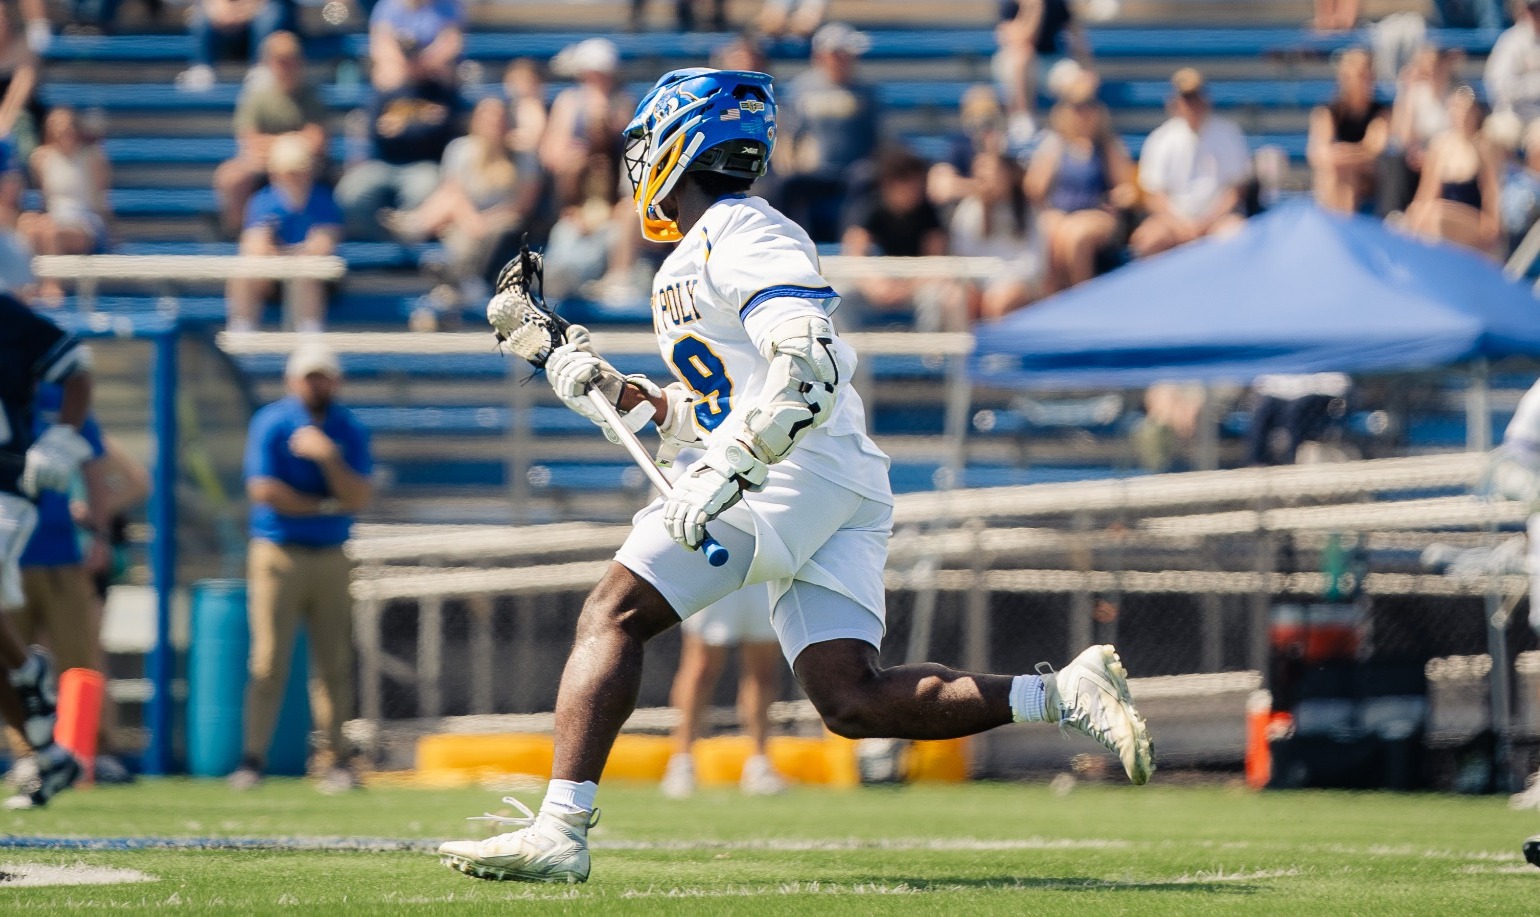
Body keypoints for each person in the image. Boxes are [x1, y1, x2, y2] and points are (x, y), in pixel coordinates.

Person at [438, 67, 1153, 884]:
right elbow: (725, 400)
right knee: (850, 697)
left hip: (790, 469)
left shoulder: (741, 230)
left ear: (679, 144)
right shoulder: (698, 254)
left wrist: (730, 468)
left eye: (644, 147)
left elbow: (808, 366)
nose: (636, 168)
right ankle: (1062, 693)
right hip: (828, 475)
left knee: (613, 612)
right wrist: (619, 390)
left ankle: (560, 826)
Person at [232, 341, 372, 794]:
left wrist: (327, 457)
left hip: (331, 554)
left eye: (323, 376)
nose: (316, 385)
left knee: (333, 664)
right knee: (268, 661)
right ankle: (252, 758)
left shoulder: (347, 428)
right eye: (310, 377)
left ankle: (337, 759)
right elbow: (264, 491)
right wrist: (327, 504)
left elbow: (359, 495)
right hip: (278, 553)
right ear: (292, 381)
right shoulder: (272, 422)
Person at [9, 383, 137, 782]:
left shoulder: (66, 403)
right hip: (10, 553)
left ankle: (91, 751)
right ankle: (29, 754)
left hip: (62, 555)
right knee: (13, 661)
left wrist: (99, 534)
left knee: (80, 658)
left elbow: (96, 473)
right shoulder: (8, 401)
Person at [0, 293, 95, 808]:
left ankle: (27, 670)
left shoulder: (8, 317)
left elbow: (76, 368)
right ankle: (50, 754)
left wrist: (62, 437)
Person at [660, 586, 787, 798]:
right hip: (718, 573)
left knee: (764, 672)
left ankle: (759, 766)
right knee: (700, 667)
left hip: (764, 577)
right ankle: (681, 764)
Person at [1025, 70, 1136, 291]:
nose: (1083, 113)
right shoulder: (1055, 144)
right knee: (1049, 232)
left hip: (1097, 214)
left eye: (1088, 105)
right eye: (1076, 107)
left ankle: (1081, 294)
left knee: (1077, 235)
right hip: (1061, 214)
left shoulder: (1107, 145)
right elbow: (1034, 188)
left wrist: (1118, 197)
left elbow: (1127, 189)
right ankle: (1052, 296)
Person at [213, 31, 328, 239]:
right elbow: (250, 142)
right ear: (269, 63)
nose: (287, 66)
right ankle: (237, 236)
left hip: (302, 164)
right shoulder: (256, 97)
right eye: (281, 60)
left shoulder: (311, 95)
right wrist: (289, 144)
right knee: (231, 177)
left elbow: (316, 140)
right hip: (263, 164)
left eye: (291, 59)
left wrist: (282, 150)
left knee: (297, 169)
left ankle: (303, 232)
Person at [777, 23, 883, 244]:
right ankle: (790, 242)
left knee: (865, 179)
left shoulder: (866, 91)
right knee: (786, 185)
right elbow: (789, 135)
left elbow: (877, 138)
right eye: (839, 55)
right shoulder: (802, 88)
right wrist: (790, 164)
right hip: (816, 170)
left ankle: (850, 244)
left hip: (854, 171)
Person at [226, 135, 343, 333]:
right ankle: (242, 328)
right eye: (290, 172)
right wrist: (285, 254)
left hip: (317, 278)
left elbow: (323, 246)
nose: (297, 177)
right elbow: (255, 246)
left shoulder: (322, 200)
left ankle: (309, 332)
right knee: (244, 268)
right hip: (272, 276)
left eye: (302, 170)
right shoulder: (263, 201)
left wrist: (286, 253)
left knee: (307, 267)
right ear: (275, 173)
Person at [1130, 67, 1250, 258]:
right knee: (1148, 241)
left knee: (1236, 235)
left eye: (1195, 98)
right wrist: (1180, 224)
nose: (1192, 105)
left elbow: (1236, 189)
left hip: (1218, 219)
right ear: (1175, 102)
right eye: (1187, 99)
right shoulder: (1161, 139)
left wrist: (1207, 222)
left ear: (1205, 99)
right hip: (1172, 222)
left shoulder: (1228, 134)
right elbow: (1153, 194)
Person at [839, 148, 958, 330]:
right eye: (908, 183)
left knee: (934, 298)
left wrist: (904, 289)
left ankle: (927, 349)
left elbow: (935, 261)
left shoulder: (930, 212)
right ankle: (849, 348)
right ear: (890, 184)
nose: (915, 190)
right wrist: (875, 284)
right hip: (880, 281)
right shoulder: (870, 207)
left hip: (917, 284)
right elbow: (854, 254)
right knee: (840, 295)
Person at [334, 77, 461, 240]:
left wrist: (403, 126)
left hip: (424, 164)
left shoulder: (439, 93)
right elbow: (376, 133)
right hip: (383, 163)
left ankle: (406, 243)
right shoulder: (386, 93)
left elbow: (442, 130)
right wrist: (422, 122)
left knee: (424, 189)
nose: (414, 64)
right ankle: (380, 240)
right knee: (351, 192)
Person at [20, 107, 112, 305]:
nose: (63, 130)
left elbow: (101, 199)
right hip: (55, 217)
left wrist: (112, 231)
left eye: (67, 125)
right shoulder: (41, 158)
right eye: (57, 125)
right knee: (27, 224)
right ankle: (26, 285)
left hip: (85, 220)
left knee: (51, 231)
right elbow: (44, 199)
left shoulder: (92, 156)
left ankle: (52, 285)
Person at [950, 150, 1047, 322]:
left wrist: (1004, 284)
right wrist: (980, 287)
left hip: (1018, 281)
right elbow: (961, 257)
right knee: (956, 300)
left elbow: (1036, 260)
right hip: (978, 281)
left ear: (1007, 174)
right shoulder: (968, 210)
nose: (985, 177)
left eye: (990, 171)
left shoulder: (1028, 210)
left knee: (999, 303)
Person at [1404, 86, 1502, 256]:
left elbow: (1491, 192)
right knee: (1419, 213)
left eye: (1467, 111)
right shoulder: (1440, 146)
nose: (1462, 116)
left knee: (1437, 215)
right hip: (1442, 216)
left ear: (1476, 114)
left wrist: (1493, 225)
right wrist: (1415, 214)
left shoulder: (1484, 147)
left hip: (1474, 220)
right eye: (1458, 110)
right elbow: (1427, 193)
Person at [540, 39, 631, 211]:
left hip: (614, 187)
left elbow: (625, 145)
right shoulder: (568, 101)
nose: (597, 79)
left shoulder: (622, 102)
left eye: (601, 74)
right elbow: (551, 154)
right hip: (574, 189)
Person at [994, 0, 1090, 143]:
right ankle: (1022, 120)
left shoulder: (1056, 3)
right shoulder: (1010, 3)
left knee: (1079, 81)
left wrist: (1088, 69)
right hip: (1013, 62)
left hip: (1050, 61)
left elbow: (1076, 35)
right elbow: (1022, 40)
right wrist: (1034, 9)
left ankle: (1068, 133)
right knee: (1023, 56)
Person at [1380, 45, 1459, 217]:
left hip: (1447, 156)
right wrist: (1407, 91)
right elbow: (1404, 138)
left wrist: (1431, 156)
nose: (1431, 71)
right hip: (1419, 156)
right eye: (1426, 67)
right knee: (1395, 159)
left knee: (1434, 165)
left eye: (1435, 65)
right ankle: (1394, 215)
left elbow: (1457, 136)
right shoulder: (1417, 94)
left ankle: (1420, 215)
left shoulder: (1456, 95)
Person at [1309, 49, 1389, 214]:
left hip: (1369, 178)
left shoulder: (1381, 112)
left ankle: (1340, 222)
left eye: (1368, 75)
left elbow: (1374, 152)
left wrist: (1342, 153)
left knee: (1345, 170)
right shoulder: (1328, 111)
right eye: (1360, 75)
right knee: (1337, 172)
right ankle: (1339, 220)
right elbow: (1319, 153)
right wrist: (1355, 153)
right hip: (1339, 173)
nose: (1366, 80)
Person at [177, 0, 294, 93]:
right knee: (200, 16)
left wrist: (247, 8)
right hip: (224, 17)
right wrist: (219, 7)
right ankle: (201, 71)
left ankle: (262, 70)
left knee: (271, 14)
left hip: (262, 9)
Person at [368, 0, 464, 94]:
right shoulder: (387, 6)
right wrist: (406, 67)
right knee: (386, 72)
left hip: (434, 79)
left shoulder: (446, 5)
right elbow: (382, 45)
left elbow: (450, 43)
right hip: (398, 79)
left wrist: (422, 64)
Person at [1486, 1, 1540, 126]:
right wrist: (1535, 83)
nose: (1537, 14)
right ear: (1526, 11)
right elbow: (1500, 86)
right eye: (1534, 9)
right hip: (1513, 114)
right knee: (1499, 129)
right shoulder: (1512, 40)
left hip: (1537, 117)